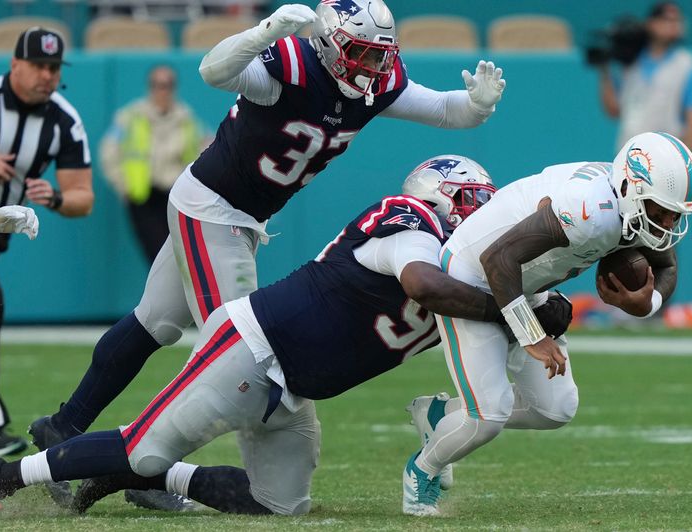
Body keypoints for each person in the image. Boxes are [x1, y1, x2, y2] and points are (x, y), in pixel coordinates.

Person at [29, 0, 507, 472]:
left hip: (239, 213)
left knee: (156, 322)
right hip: (214, 207)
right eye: (361, 53)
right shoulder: (292, 67)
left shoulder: (374, 86)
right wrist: (264, 32)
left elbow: (447, 109)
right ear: (326, 43)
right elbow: (213, 71)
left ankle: (65, 426)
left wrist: (478, 105)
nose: (373, 66)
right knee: (234, 354)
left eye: (379, 54)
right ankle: (148, 468)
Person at [0, 155, 544, 516]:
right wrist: (510, 309)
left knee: (280, 506)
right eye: (474, 201)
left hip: (296, 388)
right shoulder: (408, 219)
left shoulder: (471, 270)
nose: (484, 216)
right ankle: (8, 475)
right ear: (441, 199)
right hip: (254, 347)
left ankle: (162, 479)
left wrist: (534, 308)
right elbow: (424, 285)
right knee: (141, 447)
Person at [399, 131, 692, 516]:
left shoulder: (637, 203)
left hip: (526, 280)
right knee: (487, 416)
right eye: (660, 211)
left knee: (555, 408)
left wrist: (647, 302)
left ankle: (439, 415)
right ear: (630, 187)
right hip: (471, 274)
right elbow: (498, 259)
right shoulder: (589, 210)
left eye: (674, 214)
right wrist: (532, 335)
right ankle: (422, 470)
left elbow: (666, 264)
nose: (666, 223)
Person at [0, 27, 93, 458]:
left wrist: (53, 197)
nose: (46, 75)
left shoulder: (63, 119)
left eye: (54, 68)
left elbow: (82, 197)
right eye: (38, 65)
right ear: (14, 64)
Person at [100, 65, 209, 264]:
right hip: (143, 197)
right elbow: (108, 152)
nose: (163, 91)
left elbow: (204, 149)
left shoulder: (186, 119)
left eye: (167, 85)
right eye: (157, 85)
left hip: (176, 196)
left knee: (182, 257)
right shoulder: (131, 116)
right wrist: (123, 185)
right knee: (159, 255)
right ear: (150, 87)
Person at [598, 2, 692, 152]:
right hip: (627, 153)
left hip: (665, 156)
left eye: (677, 20)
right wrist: (603, 70)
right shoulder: (630, 64)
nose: (673, 25)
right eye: (666, 19)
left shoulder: (687, 67)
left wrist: (686, 161)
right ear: (651, 23)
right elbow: (614, 110)